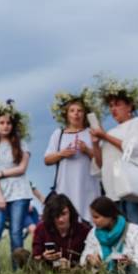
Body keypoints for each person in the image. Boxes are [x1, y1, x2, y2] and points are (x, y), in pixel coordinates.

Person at [89, 76, 138, 272]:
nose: (113, 109)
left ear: (129, 105)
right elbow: (99, 164)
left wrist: (104, 136)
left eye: (118, 104)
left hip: (134, 188)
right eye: (111, 105)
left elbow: (133, 148)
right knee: (122, 237)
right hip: (114, 191)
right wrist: (96, 143)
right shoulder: (112, 130)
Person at [0, 101, 32, 266]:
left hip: (19, 192)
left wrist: (2, 173)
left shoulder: (21, 144)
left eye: (8, 123)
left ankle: (18, 270)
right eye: (1, 123)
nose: (5, 126)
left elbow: (22, 168)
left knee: (16, 233)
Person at [44, 90, 101, 224]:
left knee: (89, 219)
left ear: (85, 113)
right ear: (66, 114)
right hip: (65, 185)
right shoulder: (59, 134)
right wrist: (61, 154)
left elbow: (101, 161)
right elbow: (47, 160)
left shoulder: (91, 132)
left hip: (88, 185)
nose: (76, 113)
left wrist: (87, 150)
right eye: (72, 110)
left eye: (79, 110)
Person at [80, 195, 138, 274]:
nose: (93, 221)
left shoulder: (135, 230)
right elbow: (83, 259)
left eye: (96, 217)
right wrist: (89, 259)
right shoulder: (93, 233)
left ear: (109, 215)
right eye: (92, 217)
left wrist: (130, 261)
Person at [31, 193, 90, 268]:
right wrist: (44, 257)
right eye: (56, 215)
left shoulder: (83, 230)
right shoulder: (42, 228)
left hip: (74, 268)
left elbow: (88, 257)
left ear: (70, 212)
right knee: (20, 254)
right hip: (48, 267)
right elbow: (36, 256)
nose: (60, 219)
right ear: (51, 215)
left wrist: (70, 265)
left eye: (64, 214)